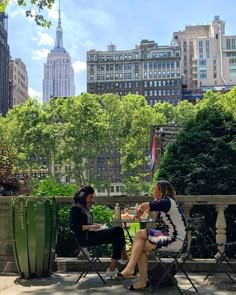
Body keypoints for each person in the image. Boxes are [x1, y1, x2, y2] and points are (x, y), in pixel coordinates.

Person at [116, 180, 187, 291]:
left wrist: (140, 209)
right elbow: (154, 213)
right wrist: (152, 203)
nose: (153, 190)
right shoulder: (167, 202)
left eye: (155, 188)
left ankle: (130, 268)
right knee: (140, 247)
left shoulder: (167, 202)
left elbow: (144, 206)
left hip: (174, 239)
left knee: (139, 234)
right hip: (172, 238)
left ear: (161, 191)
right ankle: (142, 282)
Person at [69, 185, 128, 278]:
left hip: (91, 234)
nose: (91, 199)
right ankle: (121, 259)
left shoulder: (84, 208)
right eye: (90, 197)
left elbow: (86, 224)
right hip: (86, 239)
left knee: (118, 232)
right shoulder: (75, 209)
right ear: (83, 196)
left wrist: (96, 226)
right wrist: (92, 226)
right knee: (118, 231)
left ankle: (118, 263)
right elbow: (73, 227)